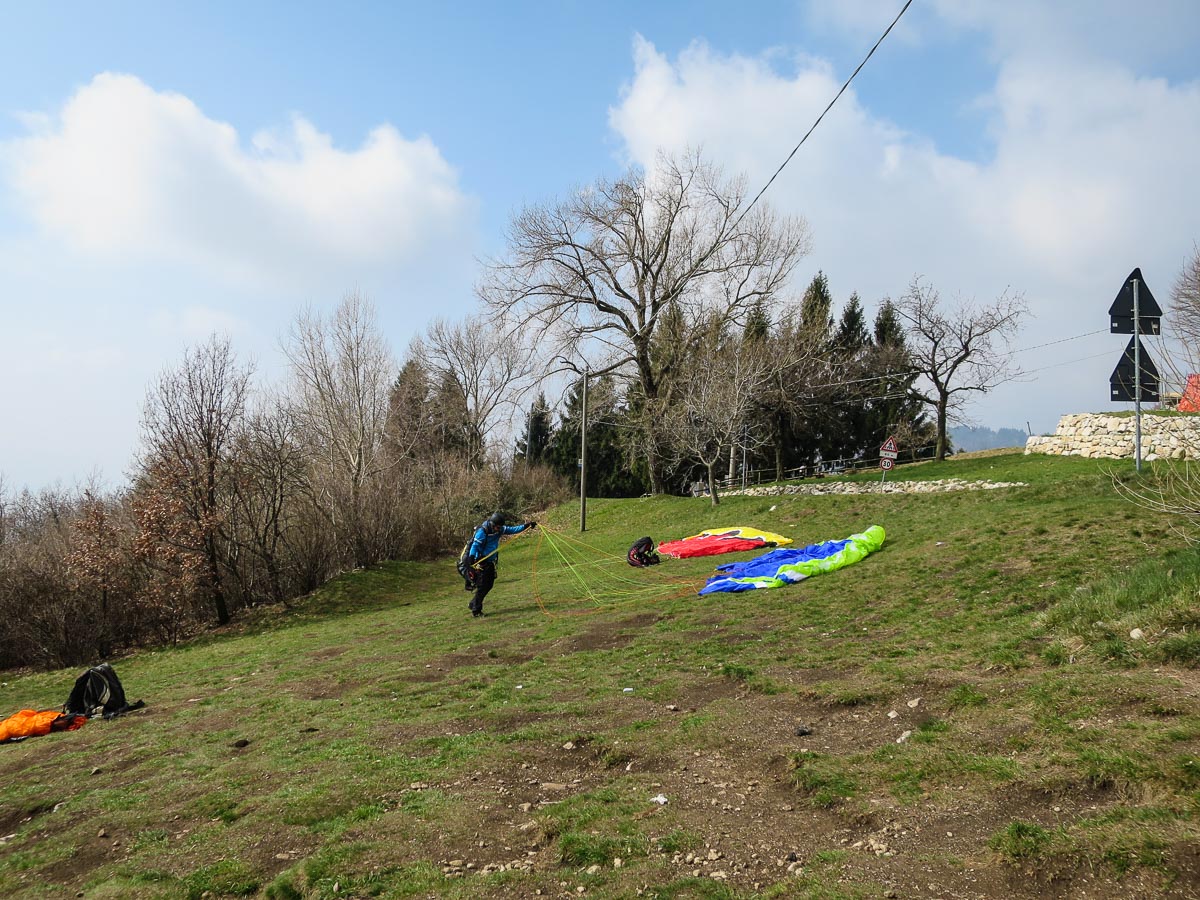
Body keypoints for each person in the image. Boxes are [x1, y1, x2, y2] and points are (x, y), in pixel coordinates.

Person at [466, 511, 536, 617]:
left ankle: (473, 603)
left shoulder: (500, 529)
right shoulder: (482, 532)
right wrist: (471, 558)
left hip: (490, 562)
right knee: (483, 586)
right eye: (498, 527)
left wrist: (527, 526)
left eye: (500, 527)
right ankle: (476, 610)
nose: (499, 529)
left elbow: (512, 530)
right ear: (492, 524)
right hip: (481, 562)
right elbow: (475, 546)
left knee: (489, 585)